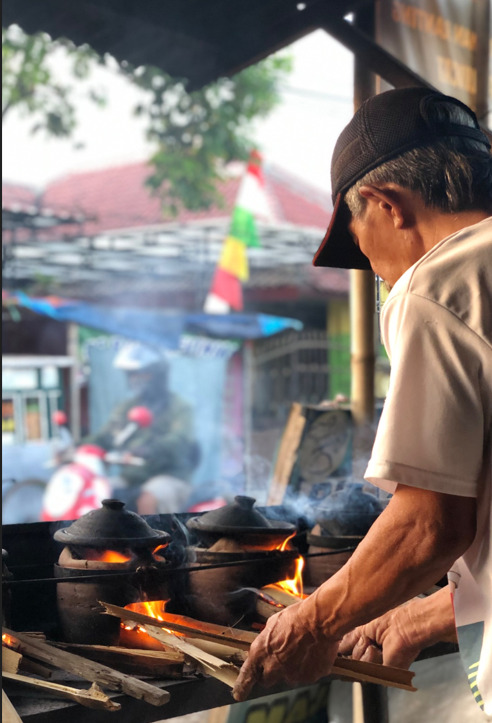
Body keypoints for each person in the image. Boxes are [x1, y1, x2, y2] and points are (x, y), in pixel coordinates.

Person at [232, 87, 491, 716]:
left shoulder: (440, 283)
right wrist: (422, 614)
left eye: (366, 252)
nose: (379, 275)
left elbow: (432, 523)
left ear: (386, 204)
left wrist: (312, 625)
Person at [89, 342, 200, 512]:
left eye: (142, 374)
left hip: (170, 476)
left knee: (148, 498)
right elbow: (107, 435)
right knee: (99, 495)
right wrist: (79, 446)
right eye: (131, 374)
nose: (135, 379)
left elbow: (179, 439)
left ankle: (156, 539)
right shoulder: (127, 407)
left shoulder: (179, 407)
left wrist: (149, 449)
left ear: (159, 374)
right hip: (132, 477)